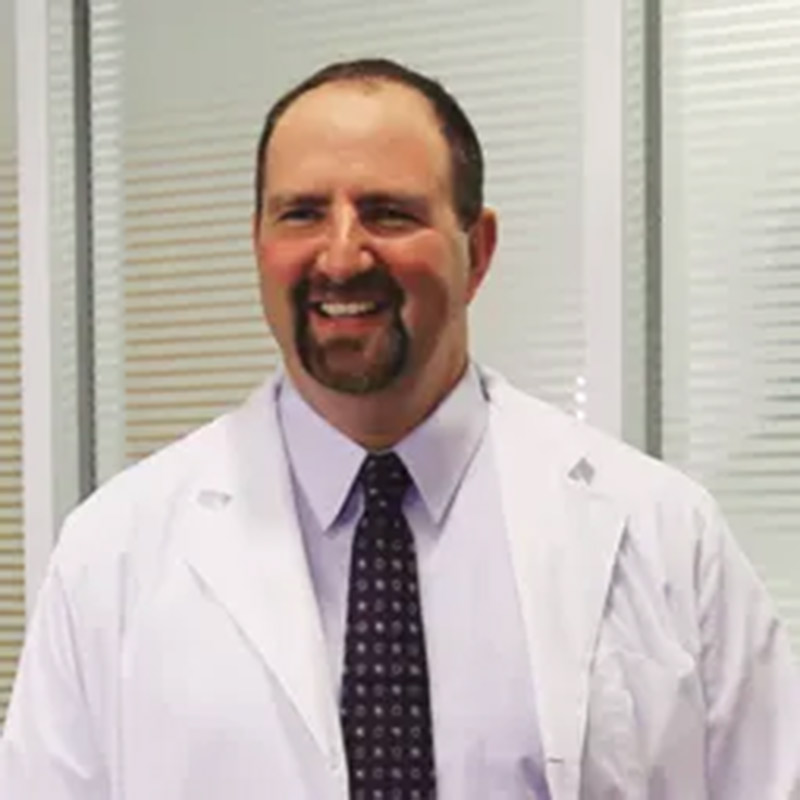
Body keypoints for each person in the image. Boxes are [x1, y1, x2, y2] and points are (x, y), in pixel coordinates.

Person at [1, 58, 799, 800]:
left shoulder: (664, 534)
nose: (341, 257)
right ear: (258, 244)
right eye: (302, 214)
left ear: (477, 250)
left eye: (388, 213)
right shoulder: (114, 552)